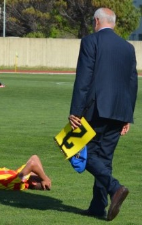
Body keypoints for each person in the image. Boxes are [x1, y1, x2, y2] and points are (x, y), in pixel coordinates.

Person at [68, 8, 138, 221]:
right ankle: (98, 206)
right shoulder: (128, 48)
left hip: (95, 109)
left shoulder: (91, 41)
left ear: (97, 21)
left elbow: (84, 78)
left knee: (75, 150)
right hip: (119, 111)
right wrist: (128, 116)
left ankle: (114, 187)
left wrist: (75, 112)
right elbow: (133, 83)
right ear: (114, 23)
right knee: (104, 159)